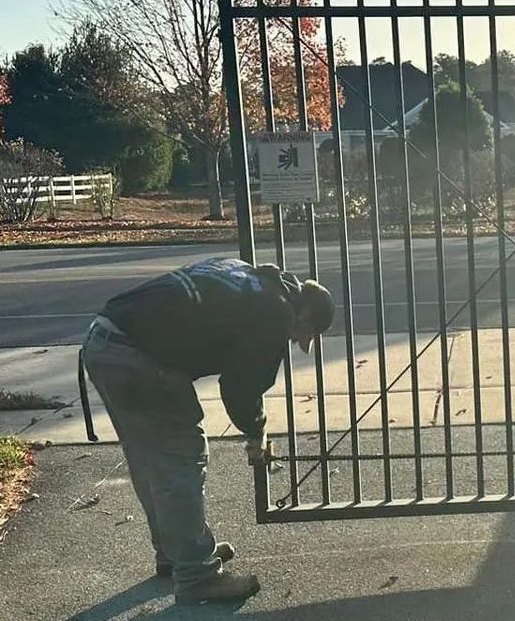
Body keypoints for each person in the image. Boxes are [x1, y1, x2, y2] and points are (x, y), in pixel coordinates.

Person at [79, 256, 334, 603]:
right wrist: (256, 431)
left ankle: (175, 554)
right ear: (304, 315)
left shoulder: (245, 272)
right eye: (302, 335)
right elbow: (242, 389)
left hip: (104, 342)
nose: (295, 341)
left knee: (148, 458)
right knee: (181, 456)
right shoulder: (275, 311)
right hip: (140, 359)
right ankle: (197, 574)